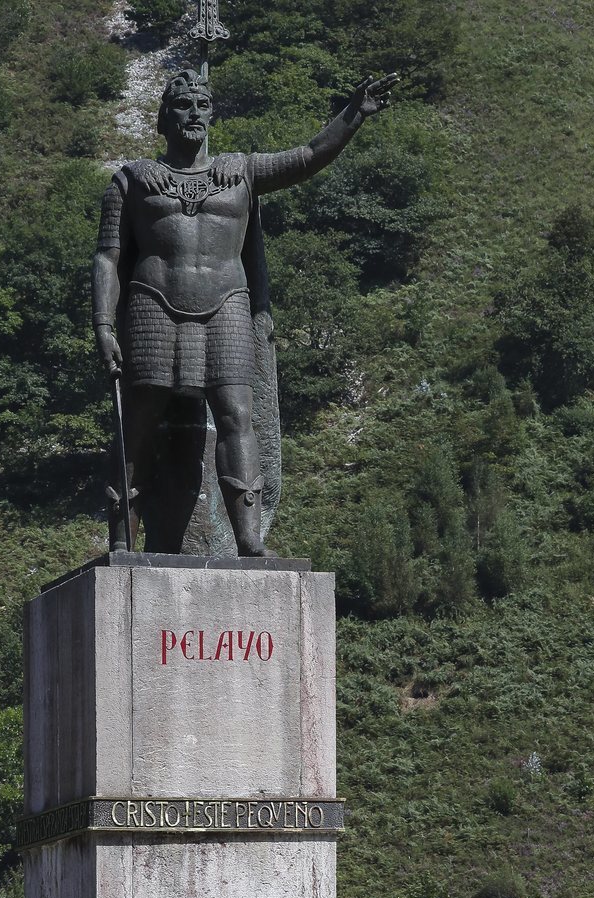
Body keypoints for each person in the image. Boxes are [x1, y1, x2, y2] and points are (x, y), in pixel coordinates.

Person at [92, 67, 397, 555]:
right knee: (138, 424)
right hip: (152, 306)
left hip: (226, 306)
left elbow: (310, 156)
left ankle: (248, 539)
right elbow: (108, 255)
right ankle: (121, 535)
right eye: (182, 105)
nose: (194, 113)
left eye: (203, 105)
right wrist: (103, 325)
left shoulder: (242, 172)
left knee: (237, 417)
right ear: (162, 119)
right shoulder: (130, 182)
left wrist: (352, 114)